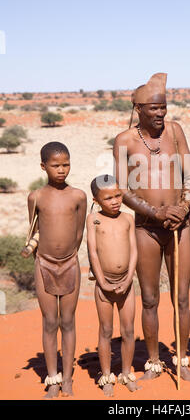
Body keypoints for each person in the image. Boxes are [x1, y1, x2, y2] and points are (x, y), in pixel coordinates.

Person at [113, 73, 190, 382]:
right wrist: (154, 211)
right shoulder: (125, 140)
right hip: (146, 228)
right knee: (150, 299)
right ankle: (152, 361)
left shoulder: (176, 132)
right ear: (139, 109)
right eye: (154, 109)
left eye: (164, 107)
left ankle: (181, 359)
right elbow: (122, 188)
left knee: (182, 297)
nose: (161, 114)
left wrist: (183, 207)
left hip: (180, 225)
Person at [26, 141, 87, 398]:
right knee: (50, 322)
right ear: (43, 166)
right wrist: (42, 258)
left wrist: (69, 256)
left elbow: (79, 232)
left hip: (70, 263)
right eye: (56, 165)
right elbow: (33, 232)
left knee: (68, 321)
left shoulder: (78, 196)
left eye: (66, 164)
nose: (62, 170)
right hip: (44, 264)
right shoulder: (36, 197)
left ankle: (68, 378)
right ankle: (53, 378)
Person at [87, 174, 140, 396]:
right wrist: (102, 282)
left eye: (118, 195)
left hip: (127, 284)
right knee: (106, 330)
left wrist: (129, 278)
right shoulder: (93, 219)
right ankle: (107, 375)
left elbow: (134, 250)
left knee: (128, 330)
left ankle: (126, 372)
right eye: (108, 198)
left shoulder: (128, 218)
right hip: (104, 286)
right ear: (97, 200)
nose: (115, 201)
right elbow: (93, 253)